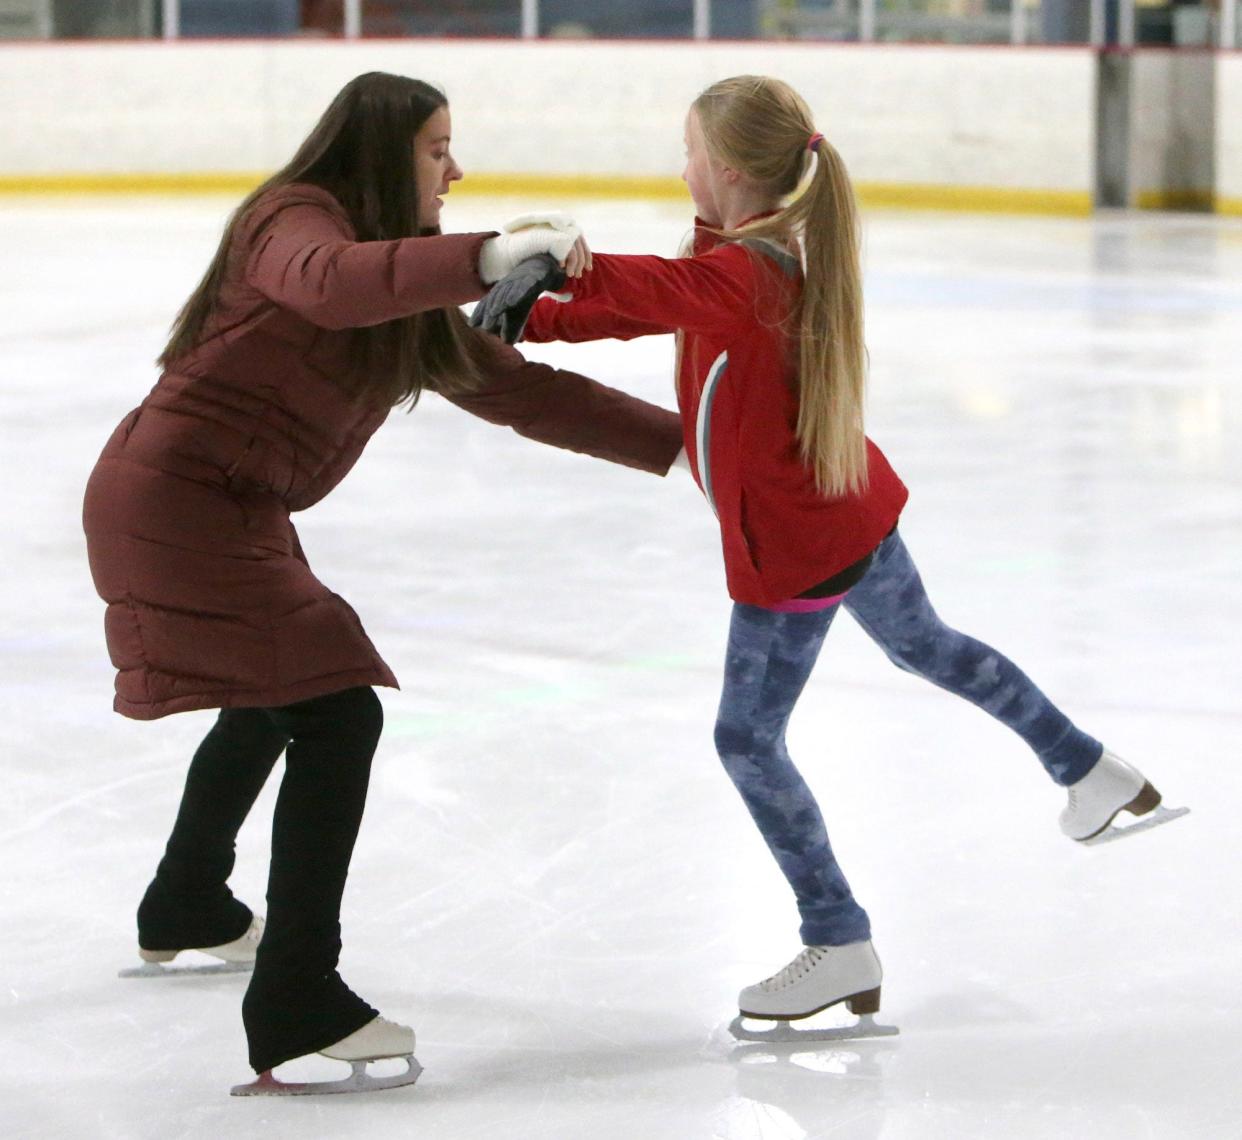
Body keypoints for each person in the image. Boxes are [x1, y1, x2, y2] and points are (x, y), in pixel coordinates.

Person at [513, 75, 1175, 1035]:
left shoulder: (742, 272)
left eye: (689, 149)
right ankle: (1090, 768)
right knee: (929, 646)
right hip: (849, 509)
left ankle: (839, 939)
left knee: (746, 740)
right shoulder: (746, 257)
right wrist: (534, 317)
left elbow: (643, 290)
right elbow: (652, 305)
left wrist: (568, 266)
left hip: (797, 545)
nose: (681, 164)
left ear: (729, 169)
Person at [82, 71, 683, 1091]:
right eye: (436, 148)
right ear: (380, 150)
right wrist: (484, 254)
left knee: (276, 701)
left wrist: (698, 448)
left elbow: (523, 396)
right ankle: (296, 1001)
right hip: (176, 498)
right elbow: (326, 281)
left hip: (229, 506)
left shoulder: (407, 303)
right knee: (333, 709)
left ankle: (188, 900)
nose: (456, 169)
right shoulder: (292, 220)